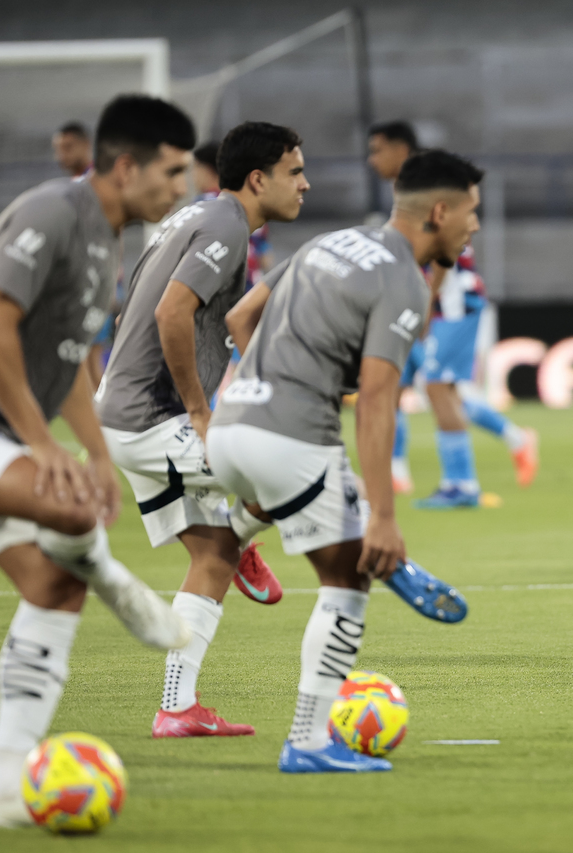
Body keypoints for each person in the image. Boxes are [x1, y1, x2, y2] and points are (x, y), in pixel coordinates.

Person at [0, 94, 197, 828]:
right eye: (174, 172)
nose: (181, 188)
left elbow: (70, 362)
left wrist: (93, 448)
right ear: (126, 166)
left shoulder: (110, 239)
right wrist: (46, 444)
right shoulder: (52, 211)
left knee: (55, 586)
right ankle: (115, 577)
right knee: (72, 512)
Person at [207, 149, 483, 773]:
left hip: (231, 429)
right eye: (471, 213)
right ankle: (307, 743)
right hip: (291, 438)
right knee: (349, 579)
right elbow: (379, 400)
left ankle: (276, 523)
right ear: (439, 211)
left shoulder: (330, 243)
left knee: (319, 521)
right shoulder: (403, 279)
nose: (474, 228)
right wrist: (386, 515)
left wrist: (277, 384)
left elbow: (239, 315)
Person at [95, 122, 311, 737]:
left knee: (211, 553)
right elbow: (170, 310)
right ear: (258, 178)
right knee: (292, 478)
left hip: (126, 413)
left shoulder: (199, 217)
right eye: (295, 172)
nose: (305, 183)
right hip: (154, 417)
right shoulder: (222, 225)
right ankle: (243, 531)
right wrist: (198, 409)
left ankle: (176, 709)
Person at [365, 120, 539, 505]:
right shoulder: (406, 190)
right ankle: (400, 474)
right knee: (408, 385)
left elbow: (446, 251)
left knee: (436, 386)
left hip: (452, 301)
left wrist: (427, 302)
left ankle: (462, 485)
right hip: (430, 299)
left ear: (400, 149)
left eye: (377, 149)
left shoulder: (428, 186)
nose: (371, 159)